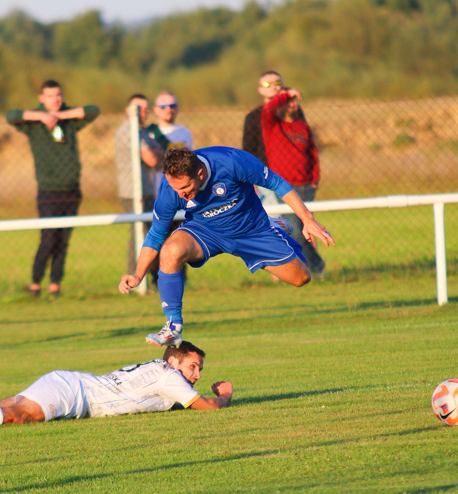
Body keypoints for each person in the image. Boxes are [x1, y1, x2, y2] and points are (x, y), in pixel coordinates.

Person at [118, 147, 335, 347]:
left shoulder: (231, 162)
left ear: (201, 173)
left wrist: (307, 219)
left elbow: (278, 184)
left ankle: (274, 227)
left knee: (301, 278)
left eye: (185, 187)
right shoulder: (171, 189)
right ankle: (173, 326)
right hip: (205, 231)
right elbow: (156, 234)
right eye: (176, 188)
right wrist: (138, 275)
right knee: (170, 250)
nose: (180, 194)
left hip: (252, 231)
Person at [0, 327, 232, 433]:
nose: (197, 375)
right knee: (21, 416)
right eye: (193, 366)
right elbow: (204, 406)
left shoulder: (161, 371)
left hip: (69, 384)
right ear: (175, 361)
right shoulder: (170, 377)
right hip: (75, 393)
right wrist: (225, 396)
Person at [6, 80, 100, 297]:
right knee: (49, 237)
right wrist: (43, 117)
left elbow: (93, 111)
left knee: (64, 239)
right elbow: (11, 116)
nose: (55, 100)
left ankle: (55, 285)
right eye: (50, 96)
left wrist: (60, 116)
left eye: (58, 95)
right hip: (48, 190)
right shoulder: (33, 121)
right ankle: (36, 283)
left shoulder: (69, 118)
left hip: (72, 189)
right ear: (41, 98)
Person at [261, 87, 325, 276]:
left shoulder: (301, 125)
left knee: (307, 228)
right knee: (295, 230)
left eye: (295, 101)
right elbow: (267, 110)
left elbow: (312, 154)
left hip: (306, 185)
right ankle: (315, 266)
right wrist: (286, 93)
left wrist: (314, 179)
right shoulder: (272, 125)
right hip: (285, 187)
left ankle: (308, 270)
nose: (294, 105)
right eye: (289, 102)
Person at [114, 94, 165, 274]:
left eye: (145, 109)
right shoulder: (129, 130)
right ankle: (134, 276)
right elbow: (153, 159)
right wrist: (157, 156)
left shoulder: (142, 130)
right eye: (137, 109)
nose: (142, 113)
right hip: (133, 192)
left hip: (147, 190)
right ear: (128, 110)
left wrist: (157, 155)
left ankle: (153, 276)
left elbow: (160, 153)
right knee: (139, 236)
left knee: (152, 234)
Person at [242, 70, 284, 164]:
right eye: (267, 84)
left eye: (277, 83)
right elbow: (249, 150)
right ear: (261, 90)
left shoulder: (293, 113)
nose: (273, 87)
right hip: (265, 170)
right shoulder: (253, 117)